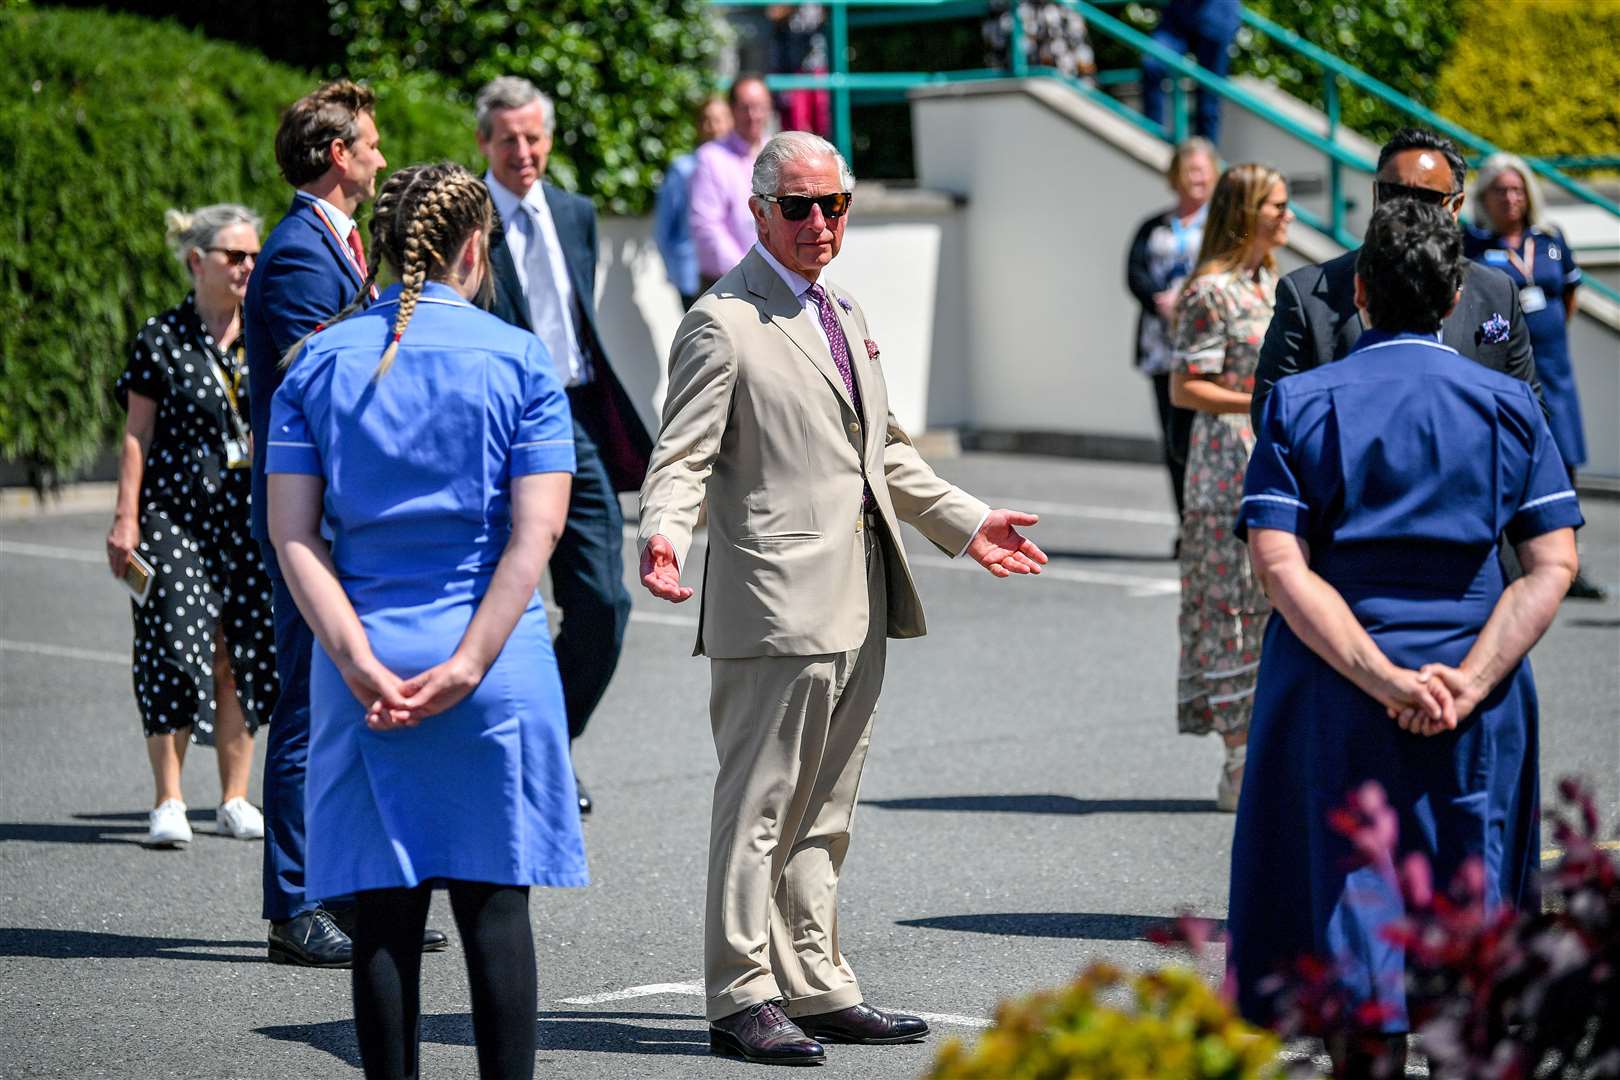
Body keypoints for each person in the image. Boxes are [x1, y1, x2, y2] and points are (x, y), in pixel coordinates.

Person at [638, 131, 1049, 1066]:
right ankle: (740, 994)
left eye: (835, 205)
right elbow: (683, 454)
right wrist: (662, 533)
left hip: (860, 592)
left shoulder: (843, 307)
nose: (821, 223)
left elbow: (886, 451)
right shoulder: (722, 321)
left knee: (826, 808)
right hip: (776, 603)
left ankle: (814, 982)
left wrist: (968, 520)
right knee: (760, 807)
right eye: (799, 207)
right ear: (758, 212)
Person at [1227, 198, 1582, 1077]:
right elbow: (1551, 564)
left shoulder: (1302, 401)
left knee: (1347, 897)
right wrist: (1467, 680)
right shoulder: (1506, 402)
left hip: (1332, 679)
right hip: (1476, 678)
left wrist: (1382, 677)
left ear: (1360, 290)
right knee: (1472, 905)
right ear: (1454, 291)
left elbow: (1281, 565)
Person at [266, 162, 588, 1080]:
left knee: (382, 917)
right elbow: (539, 534)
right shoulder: (520, 359)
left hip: (361, 658)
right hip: (492, 660)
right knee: (495, 910)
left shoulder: (317, 362)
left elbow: (294, 537)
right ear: (475, 247)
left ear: (378, 243)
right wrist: (469, 662)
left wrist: (357, 659)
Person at [246, 79, 446, 966]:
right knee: (304, 710)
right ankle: (294, 903)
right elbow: (313, 370)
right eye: (370, 142)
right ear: (338, 155)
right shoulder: (295, 251)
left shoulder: (333, 243)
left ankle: (346, 889)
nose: (381, 153)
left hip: (343, 510)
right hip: (306, 513)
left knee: (351, 701)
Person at [473, 76, 654, 816]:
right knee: (492, 603)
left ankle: (545, 744)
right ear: (484, 143)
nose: (523, 151)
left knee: (604, 604)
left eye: (533, 137)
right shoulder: (469, 218)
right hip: (495, 425)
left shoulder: (575, 213)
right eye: (508, 139)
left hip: (572, 417)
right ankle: (494, 761)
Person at [107, 204, 278, 849]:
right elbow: (136, 433)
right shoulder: (162, 338)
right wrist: (126, 519)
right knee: (176, 649)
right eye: (235, 256)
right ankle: (169, 799)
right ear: (196, 260)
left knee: (242, 652)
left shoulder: (263, 335)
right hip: (173, 518)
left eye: (253, 256)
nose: (247, 267)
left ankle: (234, 798)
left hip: (247, 518)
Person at [1252, 128, 1541, 429]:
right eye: (1395, 193)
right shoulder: (1307, 293)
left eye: (1425, 197)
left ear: (1455, 207)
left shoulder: (1495, 290)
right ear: (1377, 195)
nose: (1407, 209)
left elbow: (1527, 413)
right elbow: (1272, 415)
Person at [1169, 162, 1290, 811]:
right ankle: (1239, 758)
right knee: (1231, 609)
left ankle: (1266, 749)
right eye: (1276, 206)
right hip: (1224, 466)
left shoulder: (1269, 284)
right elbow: (1184, 385)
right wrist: (1257, 402)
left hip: (1270, 457)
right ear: (1246, 212)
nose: (1288, 217)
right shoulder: (1209, 292)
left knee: (1273, 604)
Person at [1466, 153, 1604, 600]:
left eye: (1517, 189)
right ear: (1483, 197)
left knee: (1563, 461)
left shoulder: (1549, 239)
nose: (1510, 198)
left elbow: (1568, 296)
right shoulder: (1472, 243)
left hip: (1553, 369)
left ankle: (1568, 562)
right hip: (1503, 369)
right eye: (1500, 190)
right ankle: (1510, 561)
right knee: (1507, 460)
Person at [1125, 137, 1217, 531]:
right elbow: (1133, 272)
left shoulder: (1221, 225)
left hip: (1209, 346)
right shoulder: (1154, 225)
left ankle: (1215, 518)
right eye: (1189, 170)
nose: (1196, 177)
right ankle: (1187, 523)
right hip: (1162, 346)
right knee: (1174, 440)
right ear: (1175, 176)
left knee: (1209, 439)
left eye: (1202, 169)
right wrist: (1158, 300)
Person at [689, 73, 774, 293]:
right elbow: (706, 225)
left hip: (775, 280)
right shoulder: (710, 157)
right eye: (745, 107)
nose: (753, 115)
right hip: (726, 283)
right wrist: (748, 273)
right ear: (732, 110)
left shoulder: (779, 153)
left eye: (759, 106)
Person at [655, 97, 734, 311]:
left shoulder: (741, 165)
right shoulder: (683, 169)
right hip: (693, 276)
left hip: (733, 272)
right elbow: (664, 227)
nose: (713, 127)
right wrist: (677, 271)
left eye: (719, 120)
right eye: (706, 120)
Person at [1138, 0, 1241, 144]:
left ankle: (1205, 157)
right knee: (1152, 65)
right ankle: (1153, 138)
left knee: (1208, 100)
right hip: (1179, 15)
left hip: (1218, 17)